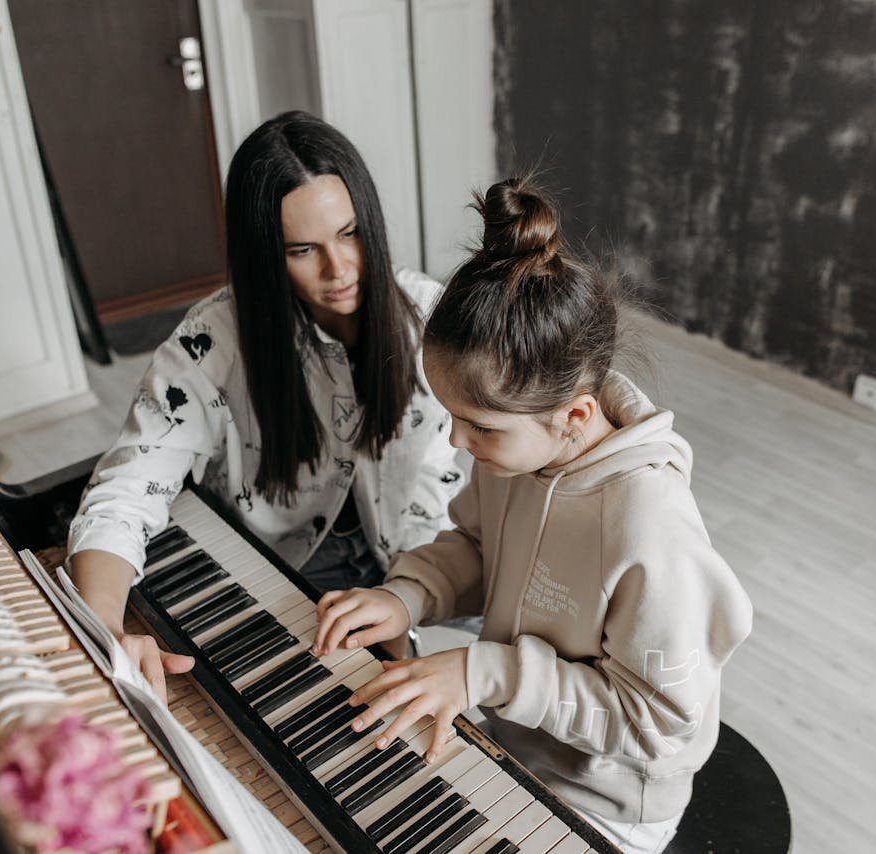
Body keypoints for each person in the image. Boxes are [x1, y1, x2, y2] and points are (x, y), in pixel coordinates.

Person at [312, 176, 753, 853]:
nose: (457, 443)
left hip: (610, 800)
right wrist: (406, 597)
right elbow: (478, 550)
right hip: (513, 741)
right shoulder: (515, 456)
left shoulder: (649, 527)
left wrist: (479, 672)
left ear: (574, 415)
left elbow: (656, 721)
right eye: (451, 418)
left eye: (478, 426)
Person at [68, 111, 465, 702]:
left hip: (423, 564)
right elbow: (128, 484)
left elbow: (445, 487)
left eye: (351, 233)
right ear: (263, 255)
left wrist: (402, 614)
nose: (339, 270)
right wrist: (104, 625)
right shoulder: (213, 339)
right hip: (284, 571)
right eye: (303, 249)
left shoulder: (432, 318)